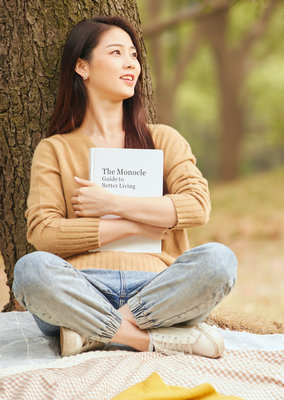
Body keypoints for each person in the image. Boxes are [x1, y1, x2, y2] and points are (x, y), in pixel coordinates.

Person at [11, 16, 237, 358]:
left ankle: (96, 332)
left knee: (220, 261)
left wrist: (111, 203)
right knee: (30, 271)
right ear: (82, 67)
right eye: (116, 52)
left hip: (159, 289)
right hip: (83, 288)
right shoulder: (54, 149)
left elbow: (196, 207)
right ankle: (149, 340)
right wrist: (140, 223)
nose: (131, 63)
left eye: (133, 54)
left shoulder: (163, 139)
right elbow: (43, 233)